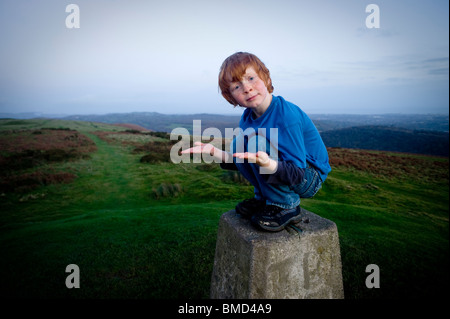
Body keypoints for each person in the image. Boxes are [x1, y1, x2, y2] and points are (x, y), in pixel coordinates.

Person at [182, 52, 331, 232]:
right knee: (239, 143)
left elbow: (297, 173)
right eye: (236, 86)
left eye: (251, 78)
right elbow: (245, 159)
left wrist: (268, 164)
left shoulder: (286, 116)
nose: (247, 88)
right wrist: (215, 152)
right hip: (287, 170)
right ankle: (264, 199)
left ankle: (286, 205)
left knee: (255, 143)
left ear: (266, 78)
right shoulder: (247, 119)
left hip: (309, 176)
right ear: (231, 97)